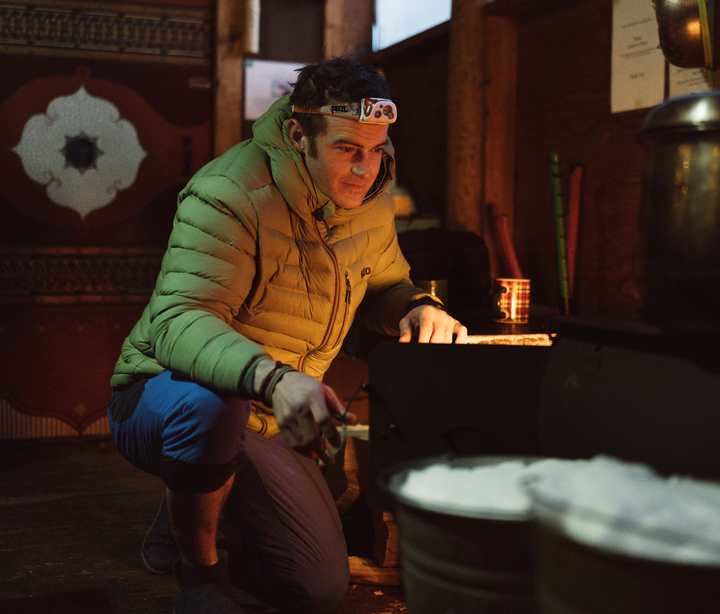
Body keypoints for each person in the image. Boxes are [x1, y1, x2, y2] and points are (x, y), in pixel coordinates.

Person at [107, 57, 467, 614]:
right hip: (165, 393)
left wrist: (416, 307)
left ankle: (191, 508)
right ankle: (200, 576)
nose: (365, 168)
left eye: (377, 149)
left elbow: (383, 283)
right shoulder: (228, 192)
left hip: (277, 409)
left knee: (319, 583)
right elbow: (180, 321)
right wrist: (274, 380)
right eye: (347, 149)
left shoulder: (370, 196)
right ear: (299, 135)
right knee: (214, 407)